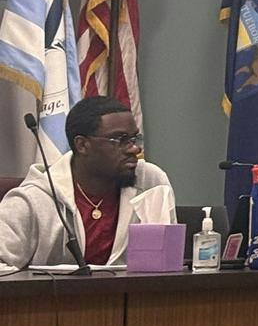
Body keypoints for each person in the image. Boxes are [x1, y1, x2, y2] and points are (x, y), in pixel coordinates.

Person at [0, 96, 175, 268]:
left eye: (134, 139)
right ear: (82, 145)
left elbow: (169, 260)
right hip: (52, 296)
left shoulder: (151, 182)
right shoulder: (32, 200)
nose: (134, 149)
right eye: (119, 140)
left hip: (135, 296)